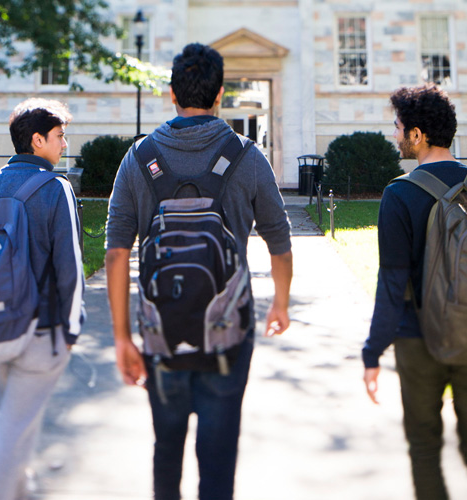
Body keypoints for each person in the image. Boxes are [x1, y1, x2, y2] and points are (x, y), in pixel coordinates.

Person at [105, 43, 293, 500]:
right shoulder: (247, 156)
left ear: (171, 94)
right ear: (220, 94)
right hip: (229, 330)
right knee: (218, 453)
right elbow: (279, 239)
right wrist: (280, 303)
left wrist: (121, 336)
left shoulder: (138, 157)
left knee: (166, 448)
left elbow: (115, 252)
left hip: (159, 332)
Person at [362, 85, 467, 500]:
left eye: (398, 128)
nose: (394, 135)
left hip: (418, 338)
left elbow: (392, 284)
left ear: (417, 135)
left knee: (425, 451)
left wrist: (372, 352)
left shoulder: (399, 194)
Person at [0, 98, 86, 500]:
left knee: (17, 428)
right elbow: (71, 267)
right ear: (38, 140)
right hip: (42, 333)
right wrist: (70, 330)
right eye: (59, 136)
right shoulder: (56, 190)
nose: (64, 144)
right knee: (12, 435)